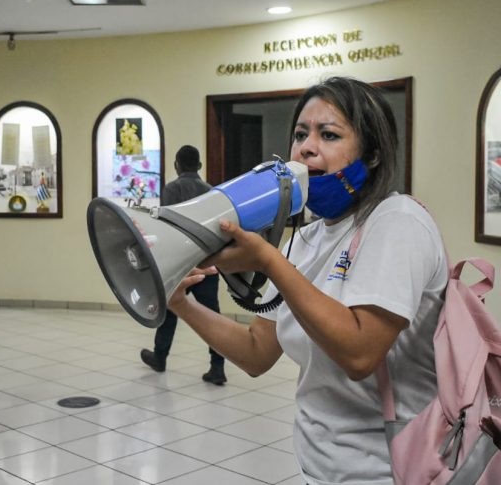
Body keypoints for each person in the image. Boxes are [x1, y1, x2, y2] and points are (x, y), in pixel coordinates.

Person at [166, 78, 448, 484]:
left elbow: (359, 355)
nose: (306, 148)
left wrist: (268, 261)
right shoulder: (305, 239)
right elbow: (256, 352)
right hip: (319, 466)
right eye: (300, 135)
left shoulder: (398, 221)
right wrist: (182, 304)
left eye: (328, 135)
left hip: (391, 470)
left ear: (371, 154)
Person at [140, 145, 228, 385]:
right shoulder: (211, 193)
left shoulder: (171, 189)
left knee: (169, 309)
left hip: (179, 264)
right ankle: (217, 367)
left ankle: (160, 357)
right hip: (207, 262)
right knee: (212, 315)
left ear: (176, 165)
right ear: (199, 166)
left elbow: (167, 227)